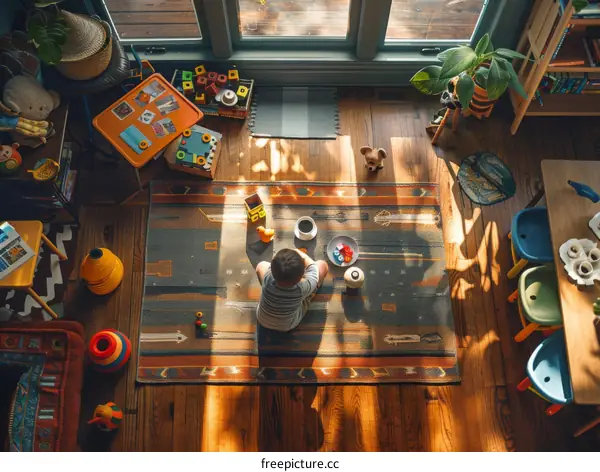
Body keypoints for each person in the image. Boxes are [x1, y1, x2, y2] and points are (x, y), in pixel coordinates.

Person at [256, 248, 328, 332]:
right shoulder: (301, 288)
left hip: (262, 319)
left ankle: (271, 291)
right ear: (301, 276)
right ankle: (312, 292)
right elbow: (313, 267)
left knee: (260, 266)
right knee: (322, 265)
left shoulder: (268, 277)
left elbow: (272, 261)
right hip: (287, 325)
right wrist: (300, 254)